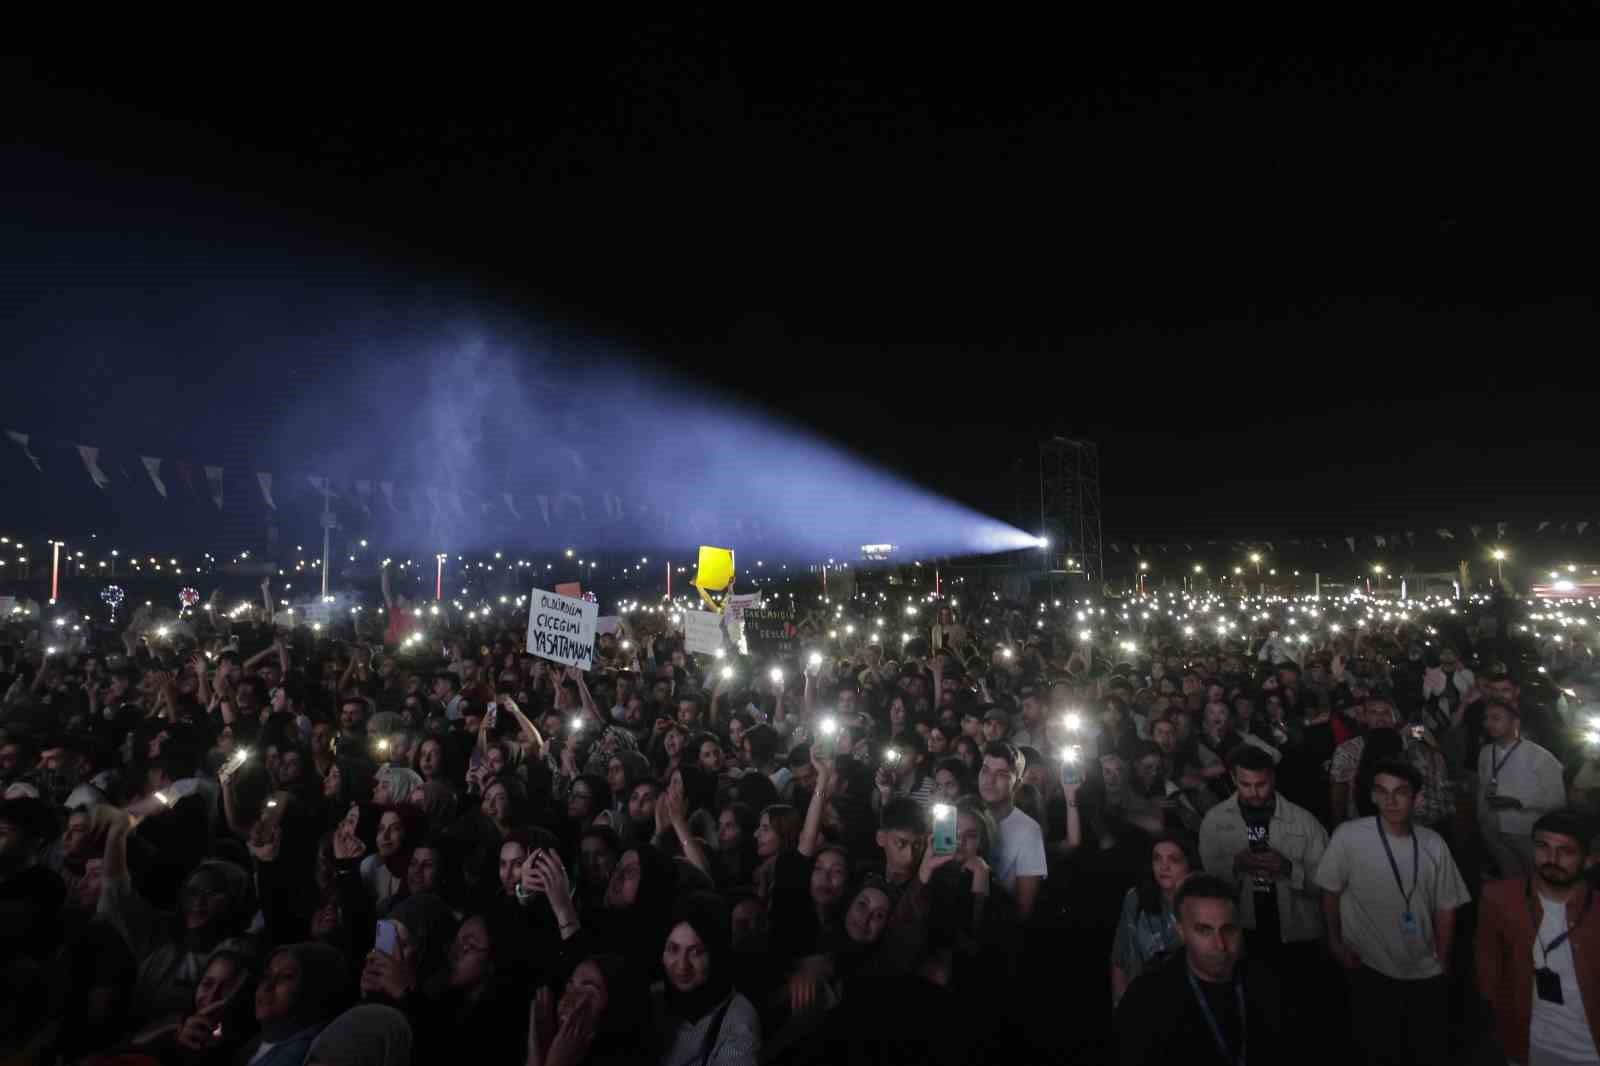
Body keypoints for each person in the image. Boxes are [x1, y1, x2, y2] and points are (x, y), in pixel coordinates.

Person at [1316, 760, 1471, 1066]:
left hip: (1423, 967)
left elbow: (1446, 906)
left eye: (1400, 792)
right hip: (1369, 964)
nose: (1390, 801)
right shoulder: (1349, 836)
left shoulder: (1433, 843)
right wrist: (1334, 942)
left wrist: (1443, 958)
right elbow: (1330, 892)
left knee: (1425, 1046)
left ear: (1416, 798)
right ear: (1372, 796)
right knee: (1377, 1046)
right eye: (1382, 792)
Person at [1115, 873, 1282, 1065]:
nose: (1220, 945)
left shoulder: (1267, 986)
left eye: (1228, 930)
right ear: (1181, 931)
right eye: (1204, 930)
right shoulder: (1146, 999)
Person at [1477, 810, 1600, 1066]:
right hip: (1527, 1044)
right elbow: (1488, 969)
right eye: (1543, 847)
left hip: (1588, 1051)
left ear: (1589, 860)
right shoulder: (1498, 898)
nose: (1552, 859)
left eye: (1566, 851)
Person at [1198, 745, 1328, 964]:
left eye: (1261, 784)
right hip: (1241, 934)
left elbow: (1327, 886)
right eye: (1245, 785)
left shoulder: (1305, 821)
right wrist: (1235, 865)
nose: (1254, 793)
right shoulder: (1214, 821)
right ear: (1232, 778)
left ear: (1273, 778)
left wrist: (1288, 868)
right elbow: (1206, 887)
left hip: (1298, 936)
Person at [653, 891, 760, 1066]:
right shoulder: (653, 1001)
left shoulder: (737, 1020)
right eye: (673, 949)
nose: (682, 966)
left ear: (716, 954)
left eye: (696, 952)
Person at [1479, 700, 1567, 881]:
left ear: (1515, 723)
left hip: (1525, 831)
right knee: (1511, 880)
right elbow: (1482, 788)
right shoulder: (1486, 753)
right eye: (1486, 719)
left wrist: (1518, 801)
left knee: (1537, 880)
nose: (1488, 723)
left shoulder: (1540, 756)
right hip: (1493, 830)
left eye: (1496, 718)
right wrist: (1482, 818)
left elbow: (1558, 800)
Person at [1110, 834, 1199, 1005]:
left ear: (1190, 863)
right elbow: (1120, 958)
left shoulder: (1206, 900)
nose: (1163, 866)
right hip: (1143, 1000)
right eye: (1157, 859)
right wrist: (1119, 1005)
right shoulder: (1135, 898)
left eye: (1174, 859)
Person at [976, 741, 1046, 920]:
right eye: (985, 770)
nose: (990, 780)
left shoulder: (1029, 830)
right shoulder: (967, 816)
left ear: (1017, 784)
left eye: (1002, 774)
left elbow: (1023, 910)